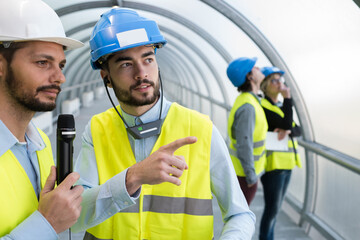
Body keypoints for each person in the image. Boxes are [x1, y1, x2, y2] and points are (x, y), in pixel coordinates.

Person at [71, 7, 255, 240]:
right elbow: (75, 217)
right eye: (126, 64)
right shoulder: (97, 129)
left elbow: (240, 215)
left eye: (148, 59)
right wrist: (132, 178)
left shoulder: (199, 128)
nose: (141, 73)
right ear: (105, 76)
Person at [0, 0, 85, 239]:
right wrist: (46, 224)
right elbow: (50, 221)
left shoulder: (41, 144)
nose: (60, 77)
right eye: (42, 62)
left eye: (60, 65)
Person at [258, 66, 302, 240]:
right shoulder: (263, 106)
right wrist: (288, 98)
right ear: (265, 85)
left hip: (287, 164)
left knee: (276, 210)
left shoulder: (280, 106)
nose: (279, 84)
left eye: (280, 80)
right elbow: (286, 124)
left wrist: (289, 129)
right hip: (274, 166)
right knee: (272, 209)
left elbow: (296, 129)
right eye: (274, 80)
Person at [226, 57, 268, 205]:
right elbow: (244, 144)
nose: (259, 68)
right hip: (244, 175)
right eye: (255, 67)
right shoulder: (248, 107)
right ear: (249, 76)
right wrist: (251, 177)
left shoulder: (247, 100)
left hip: (243, 172)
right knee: (240, 221)